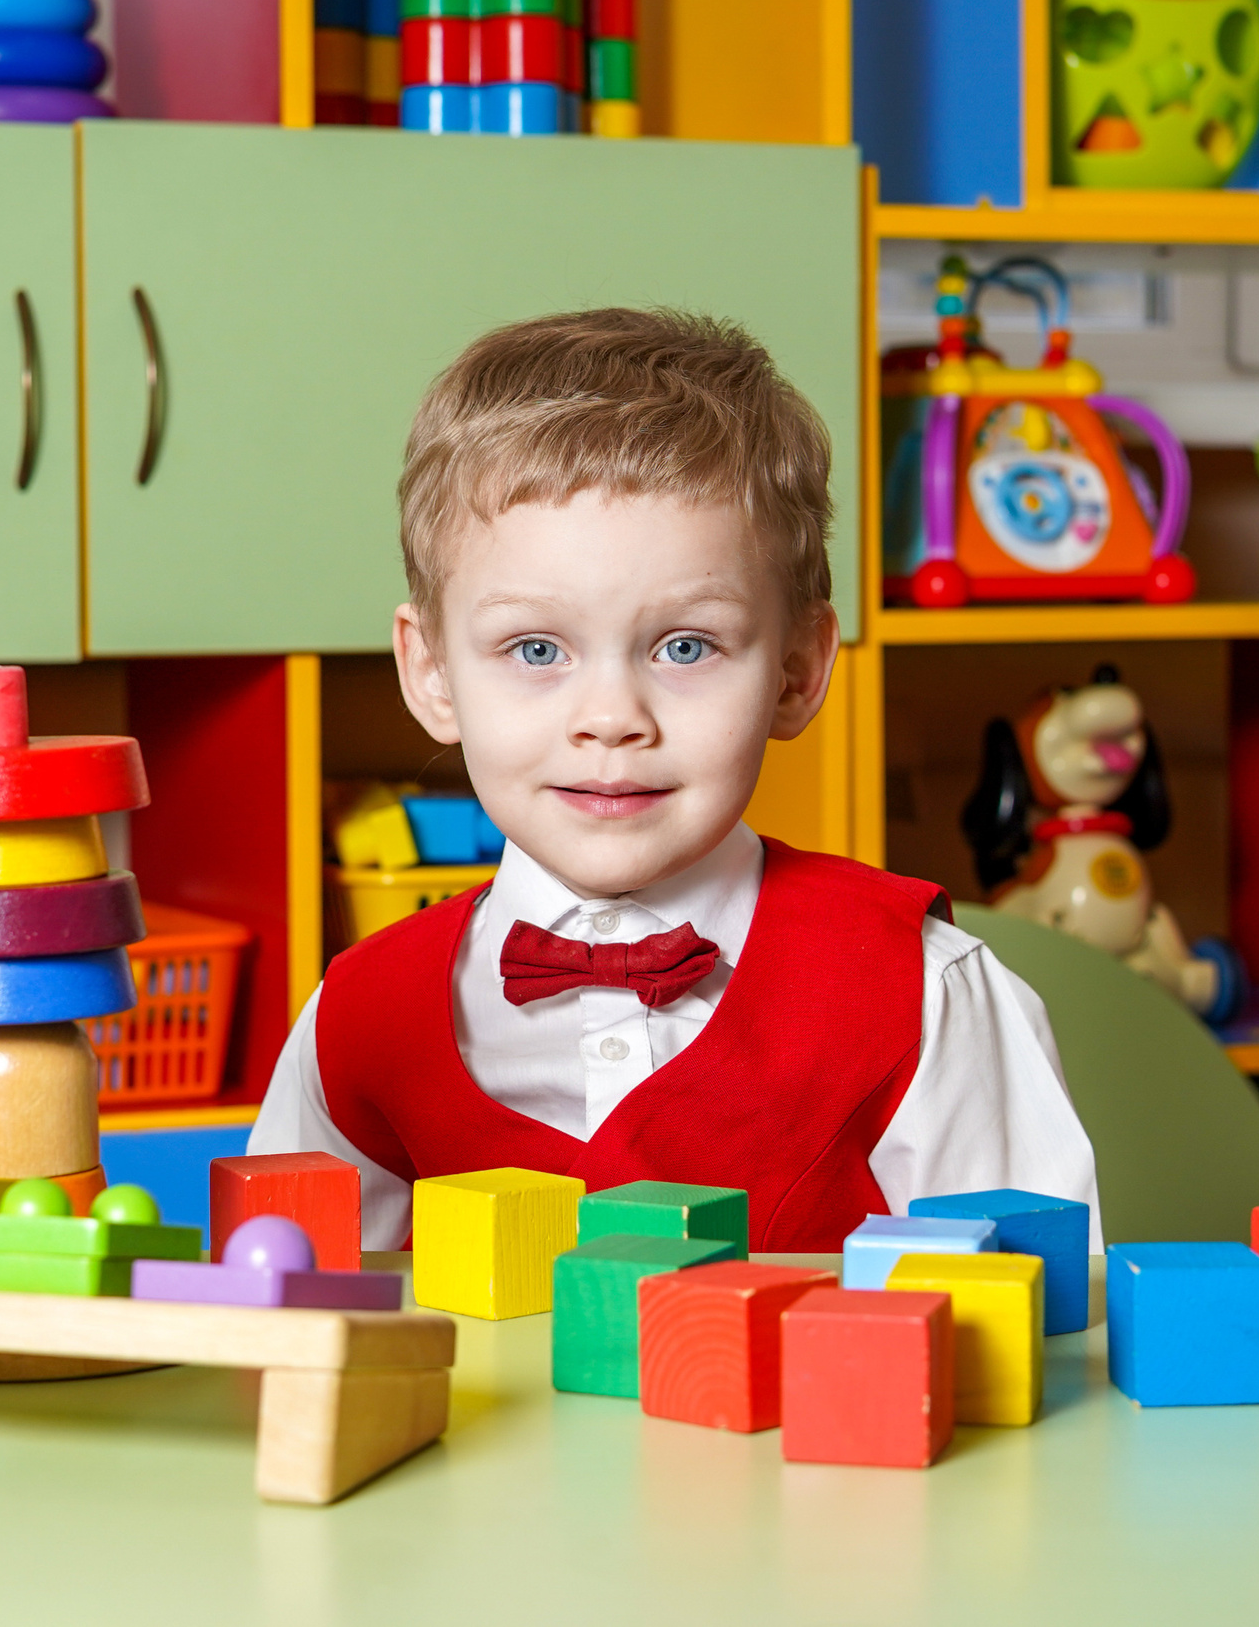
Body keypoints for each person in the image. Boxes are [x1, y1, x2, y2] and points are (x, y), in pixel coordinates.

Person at [249, 307, 1098, 1252]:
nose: (612, 717)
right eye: (536, 648)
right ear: (433, 673)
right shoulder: (355, 1019)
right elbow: (293, 1324)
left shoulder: (926, 990)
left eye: (684, 645)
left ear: (798, 670)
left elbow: (1043, 1332)